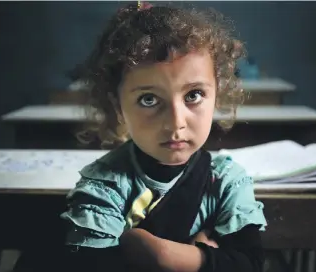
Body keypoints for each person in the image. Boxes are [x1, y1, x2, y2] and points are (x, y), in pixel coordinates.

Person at [17, 2, 267, 271]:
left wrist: (162, 255)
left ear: (216, 93)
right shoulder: (105, 186)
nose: (176, 122)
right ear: (118, 106)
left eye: (194, 95)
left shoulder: (227, 181)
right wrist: (204, 256)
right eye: (149, 99)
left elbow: (249, 264)